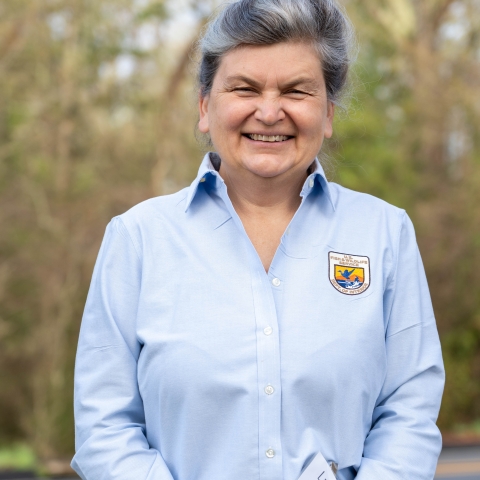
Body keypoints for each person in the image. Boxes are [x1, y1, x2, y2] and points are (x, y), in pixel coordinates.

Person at [71, 0, 445, 479]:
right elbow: (104, 426)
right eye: (244, 88)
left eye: (296, 91)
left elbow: (409, 410)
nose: (269, 112)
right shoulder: (138, 239)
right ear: (206, 107)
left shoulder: (385, 234)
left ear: (328, 113)